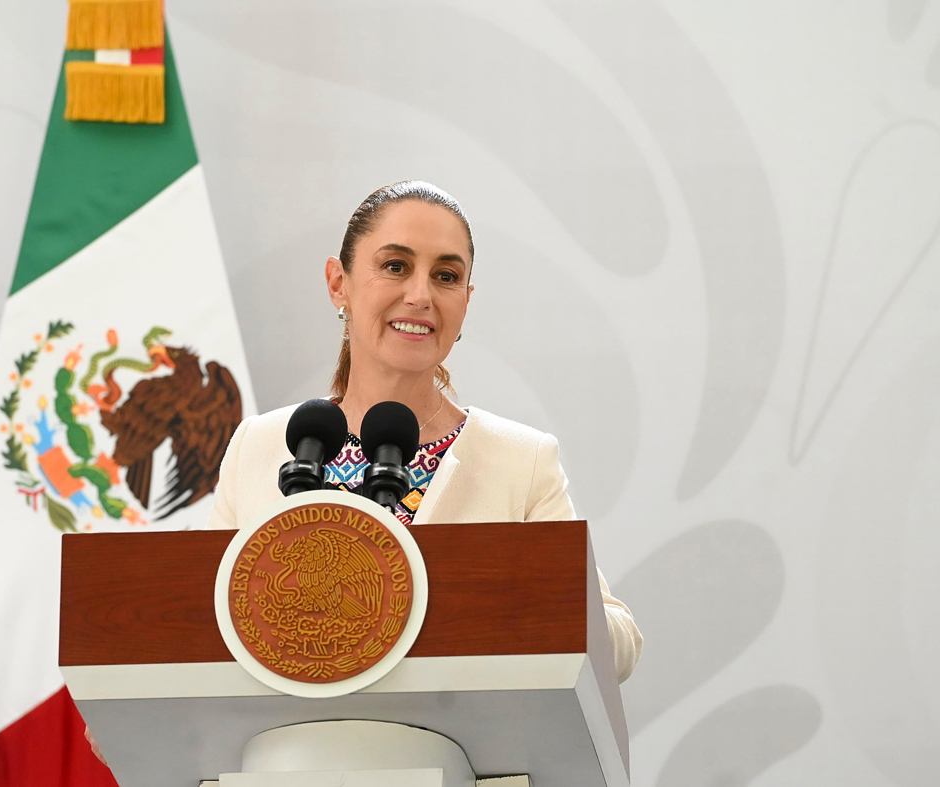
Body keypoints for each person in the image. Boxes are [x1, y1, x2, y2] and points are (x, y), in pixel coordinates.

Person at [207, 180, 643, 682]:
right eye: (395, 266)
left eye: (446, 276)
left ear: (466, 301)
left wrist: (502, 595)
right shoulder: (257, 446)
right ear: (338, 283)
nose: (420, 295)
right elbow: (197, 620)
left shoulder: (521, 461)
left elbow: (620, 645)